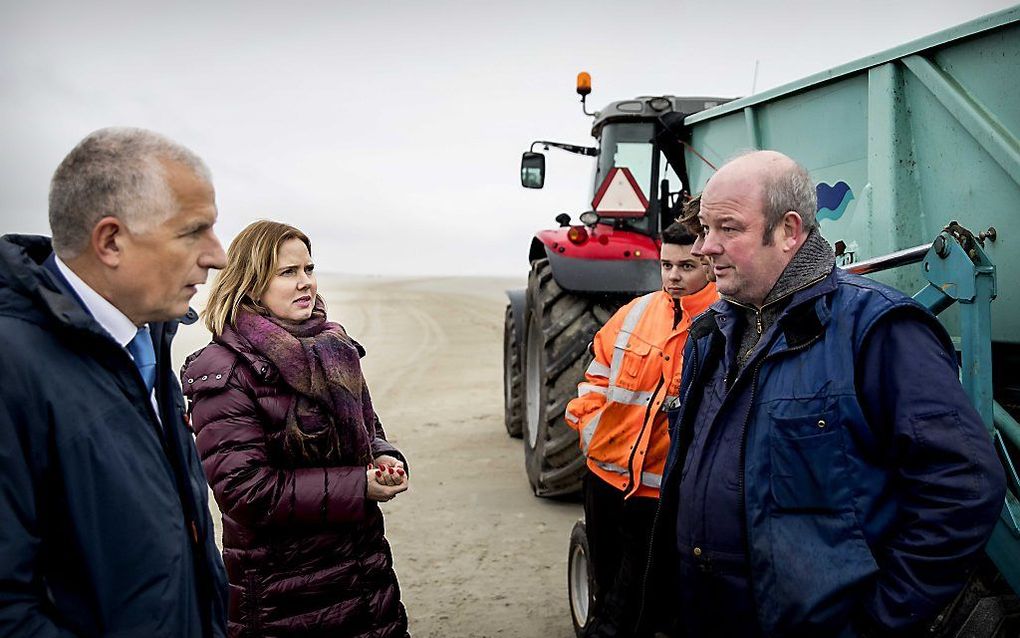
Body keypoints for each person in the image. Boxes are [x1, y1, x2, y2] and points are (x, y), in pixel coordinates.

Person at [639, 150, 1006, 637]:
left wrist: (878, 620)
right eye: (705, 229)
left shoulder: (876, 332)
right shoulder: (711, 334)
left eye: (727, 229)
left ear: (789, 231)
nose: (705, 247)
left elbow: (964, 488)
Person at [0, 128, 229, 636]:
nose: (218, 256)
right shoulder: (12, 368)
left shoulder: (146, 341)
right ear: (111, 241)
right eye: (195, 231)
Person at [182, 220, 409, 637]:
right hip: (283, 596)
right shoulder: (223, 371)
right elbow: (244, 491)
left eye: (309, 269)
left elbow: (368, 427)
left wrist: (384, 458)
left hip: (364, 577)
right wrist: (357, 485)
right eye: (288, 273)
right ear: (250, 283)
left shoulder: (334, 348)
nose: (306, 283)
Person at [565, 221, 718, 637]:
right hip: (604, 480)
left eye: (686, 266)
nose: (672, 276)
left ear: (709, 263)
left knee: (635, 609)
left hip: (661, 497)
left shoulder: (724, 324)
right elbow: (596, 377)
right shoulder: (634, 314)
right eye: (666, 264)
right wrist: (591, 432)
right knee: (607, 581)